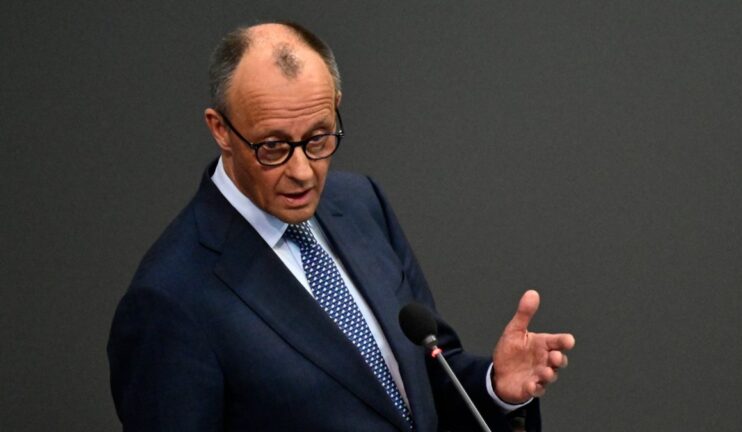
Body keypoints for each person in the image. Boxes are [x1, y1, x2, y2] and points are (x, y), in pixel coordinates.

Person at [107, 21, 575, 431]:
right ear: (221, 130)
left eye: (318, 138)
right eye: (272, 146)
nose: (303, 171)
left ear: (336, 106)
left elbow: (429, 373)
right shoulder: (170, 299)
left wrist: (496, 387)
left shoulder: (361, 202)